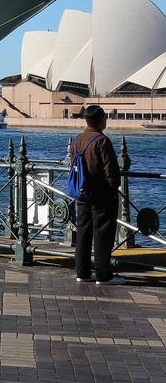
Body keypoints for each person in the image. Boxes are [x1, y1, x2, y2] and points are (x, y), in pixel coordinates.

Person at [74, 104, 125, 285]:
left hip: (81, 193)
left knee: (83, 233)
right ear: (101, 120)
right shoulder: (102, 141)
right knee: (103, 235)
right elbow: (111, 171)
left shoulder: (78, 140)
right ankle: (103, 275)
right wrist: (113, 189)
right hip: (101, 195)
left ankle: (82, 271)